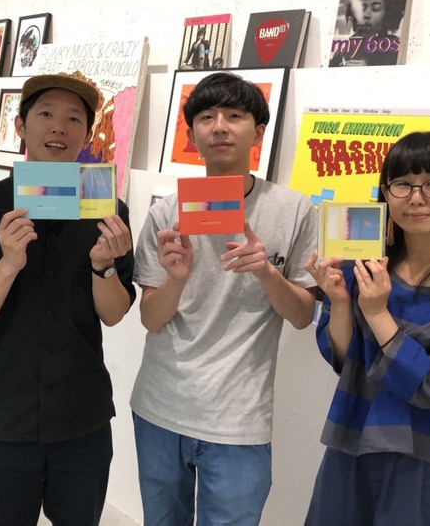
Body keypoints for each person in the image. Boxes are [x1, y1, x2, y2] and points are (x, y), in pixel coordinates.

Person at [0, 72, 136, 526]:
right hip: (1, 419)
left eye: (74, 119)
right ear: (20, 125)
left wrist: (103, 266)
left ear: (86, 135)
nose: (59, 127)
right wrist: (8, 264)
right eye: (46, 114)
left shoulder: (106, 209)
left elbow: (114, 315)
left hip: (81, 417)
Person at [131, 71, 318, 525]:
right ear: (192, 135)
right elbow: (150, 319)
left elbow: (301, 316)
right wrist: (176, 279)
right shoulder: (167, 212)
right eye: (206, 117)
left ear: (258, 131)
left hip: (239, 420)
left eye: (234, 115)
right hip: (160, 406)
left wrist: (267, 272)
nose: (219, 127)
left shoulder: (293, 210)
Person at [304, 131, 430, 525]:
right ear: (386, 193)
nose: (416, 198)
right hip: (352, 448)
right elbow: (344, 361)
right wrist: (341, 303)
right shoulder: (362, 266)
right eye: (402, 184)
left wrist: (379, 314)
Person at [329, 0, 410, 67]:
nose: (366, 15)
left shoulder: (397, 50)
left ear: (388, 14)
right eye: (362, 7)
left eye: (375, 8)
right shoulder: (343, 51)